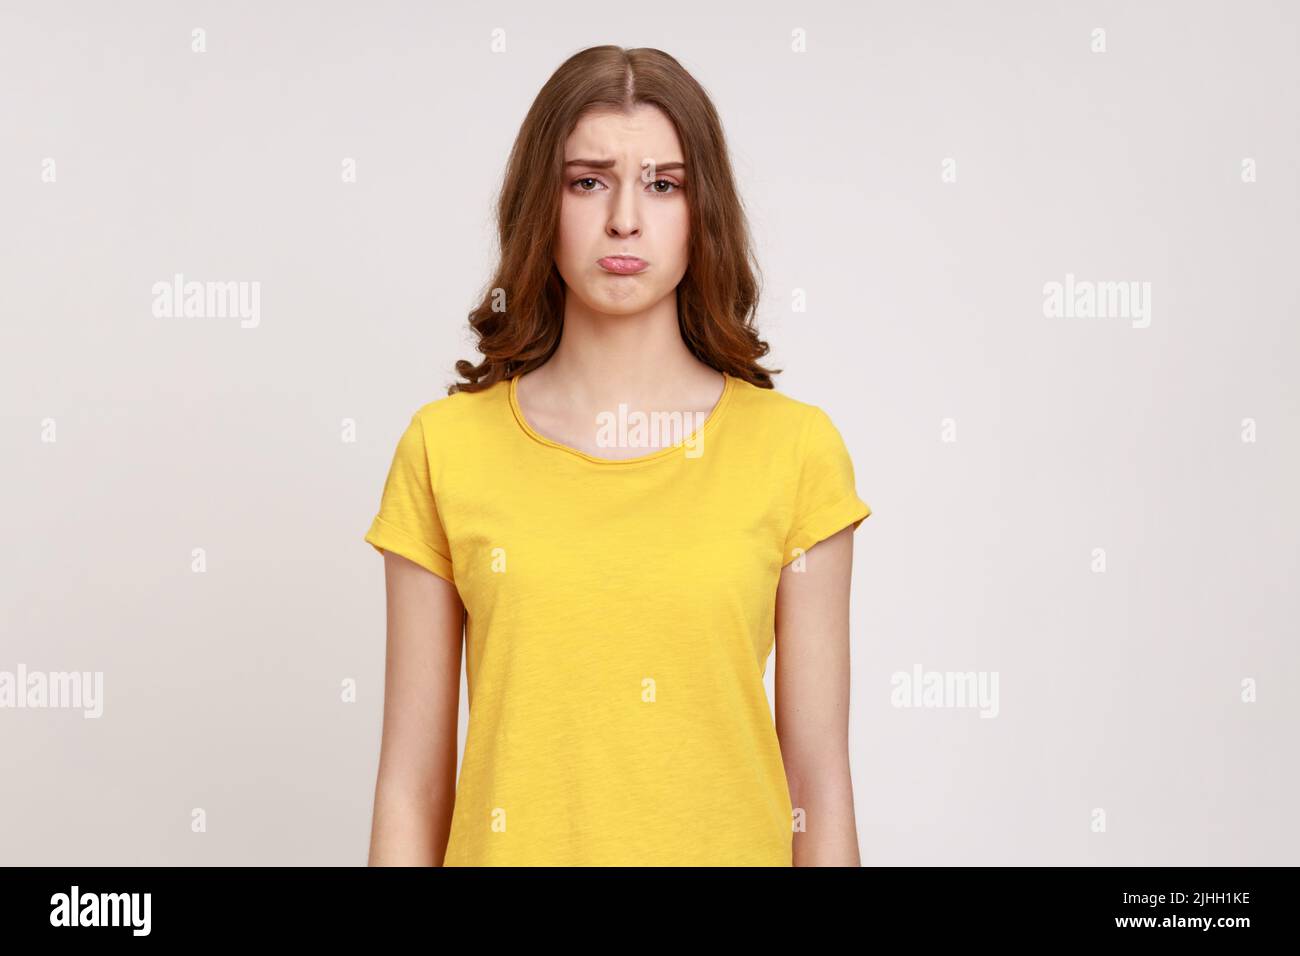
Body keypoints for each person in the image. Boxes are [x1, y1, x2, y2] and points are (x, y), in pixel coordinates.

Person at [364, 45, 871, 866]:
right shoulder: (445, 449)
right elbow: (412, 786)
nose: (625, 218)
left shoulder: (796, 451)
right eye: (588, 181)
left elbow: (819, 782)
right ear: (543, 203)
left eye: (664, 184)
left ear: (702, 211)